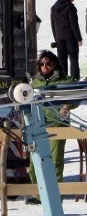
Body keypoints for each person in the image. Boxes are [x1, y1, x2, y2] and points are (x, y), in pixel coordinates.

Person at [28, 49, 79, 185]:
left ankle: (56, 193)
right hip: (38, 125)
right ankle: (37, 193)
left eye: (48, 64)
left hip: (57, 125)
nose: (45, 67)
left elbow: (76, 96)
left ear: (55, 64)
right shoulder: (35, 82)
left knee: (54, 160)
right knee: (34, 161)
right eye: (42, 64)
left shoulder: (65, 80)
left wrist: (66, 106)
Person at [50, 0, 81, 80]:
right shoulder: (70, 7)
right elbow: (74, 24)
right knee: (73, 59)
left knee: (62, 59)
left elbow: (53, 24)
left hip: (59, 37)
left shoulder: (54, 7)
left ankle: (63, 78)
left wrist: (56, 38)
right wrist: (79, 38)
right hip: (71, 37)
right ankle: (75, 79)